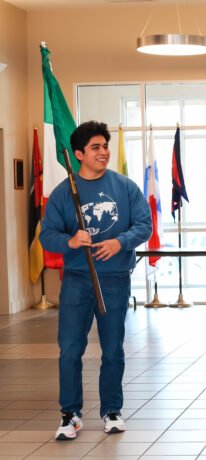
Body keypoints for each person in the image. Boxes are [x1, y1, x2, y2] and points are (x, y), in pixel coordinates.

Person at [40, 121, 152, 440]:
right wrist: (71, 241)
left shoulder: (125, 187)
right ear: (78, 154)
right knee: (70, 349)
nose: (104, 152)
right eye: (96, 148)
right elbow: (47, 235)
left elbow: (145, 225)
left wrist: (121, 242)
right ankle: (70, 414)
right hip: (77, 279)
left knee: (113, 349)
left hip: (115, 279)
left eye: (105, 146)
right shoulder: (65, 192)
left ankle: (112, 410)